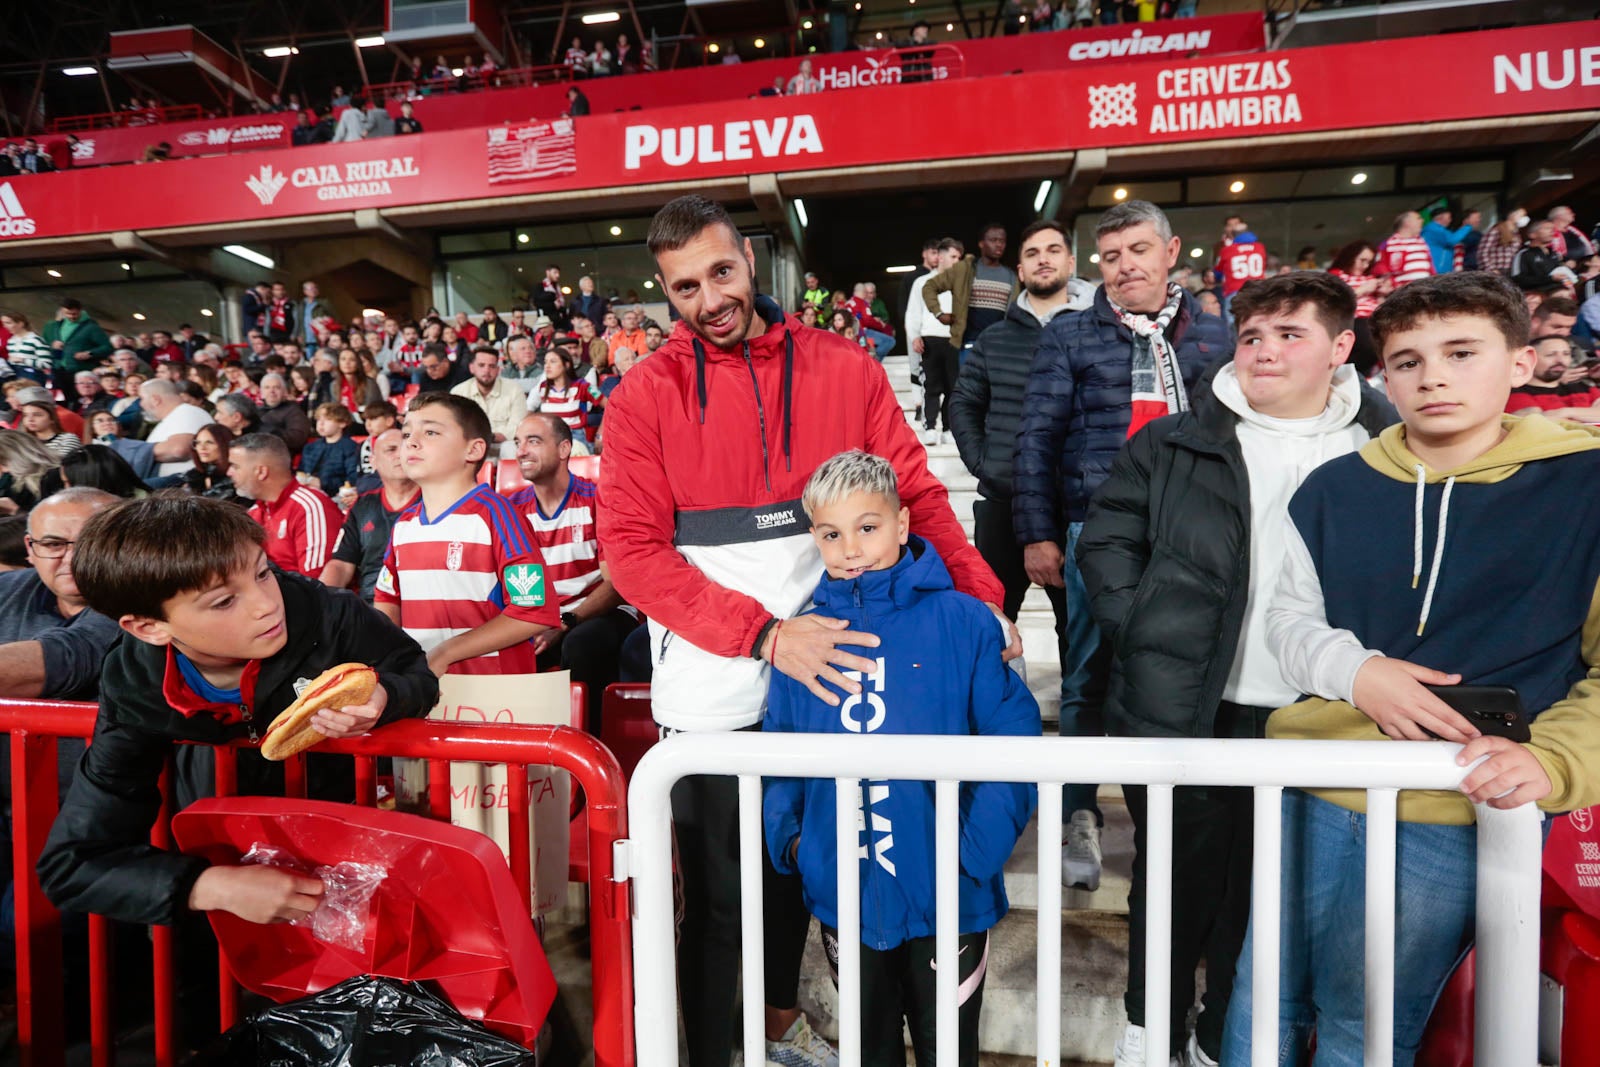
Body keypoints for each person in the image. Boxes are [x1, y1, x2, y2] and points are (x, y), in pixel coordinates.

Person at [599, 194, 1009, 1067]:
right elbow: (630, 551)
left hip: (841, 690)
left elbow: (917, 497)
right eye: (683, 288)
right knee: (722, 910)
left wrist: (980, 597)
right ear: (663, 294)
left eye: (719, 272)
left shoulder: (842, 367)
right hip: (718, 692)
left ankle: (779, 1031)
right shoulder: (643, 395)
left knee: (808, 885)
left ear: (749, 258)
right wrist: (765, 636)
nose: (709, 298)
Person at [1219, 270, 1600, 1064]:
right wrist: (1357, 672)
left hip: (1459, 805)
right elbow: (1288, 621)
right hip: (1313, 784)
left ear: (1521, 362)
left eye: (1462, 352)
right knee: (1261, 998)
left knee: (1369, 1023)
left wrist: (1555, 759)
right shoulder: (1333, 488)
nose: (1432, 376)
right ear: (1379, 372)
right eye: (1408, 360)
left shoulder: (1583, 485)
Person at [1079, 273, 1397, 1067]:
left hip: (1318, 715)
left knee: (1267, 897)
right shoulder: (1176, 438)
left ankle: (1227, 1035)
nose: (1264, 350)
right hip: (1191, 703)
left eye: (1290, 334)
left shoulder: (1384, 443)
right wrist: (1145, 625)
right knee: (1172, 886)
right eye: (1253, 335)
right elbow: (1107, 539)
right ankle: (1150, 1032)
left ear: (1341, 347)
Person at [36, 494, 438, 927]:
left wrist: (386, 697)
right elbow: (71, 864)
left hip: (357, 858)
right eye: (224, 601)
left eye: (263, 573)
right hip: (218, 877)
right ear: (149, 627)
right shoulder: (135, 683)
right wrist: (209, 886)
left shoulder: (333, 615)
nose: (267, 603)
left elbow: (415, 674)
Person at [762, 451, 1039, 1067]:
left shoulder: (963, 622)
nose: (851, 548)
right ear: (815, 538)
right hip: (844, 894)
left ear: (903, 523)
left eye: (868, 527)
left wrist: (975, 853)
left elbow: (1013, 737)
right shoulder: (801, 638)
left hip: (950, 898)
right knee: (869, 1049)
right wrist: (797, 846)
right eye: (832, 534)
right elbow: (778, 752)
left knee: (949, 1053)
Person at [1012, 200, 1230, 909]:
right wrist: (1038, 533)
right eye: (1111, 256)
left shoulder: (1215, 337)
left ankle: (1166, 825)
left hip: (1194, 530)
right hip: (1097, 528)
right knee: (1087, 679)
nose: (1126, 266)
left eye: (1139, 250)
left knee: (1183, 680)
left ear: (1170, 251)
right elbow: (1038, 439)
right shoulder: (1071, 336)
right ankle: (1079, 816)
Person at [948, 217, 1089, 743]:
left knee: (1079, 634)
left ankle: (1078, 767)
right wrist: (986, 463)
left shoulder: (1096, 331)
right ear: (1020, 268)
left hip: (1075, 509)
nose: (1044, 259)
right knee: (992, 630)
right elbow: (964, 402)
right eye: (1032, 253)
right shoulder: (994, 339)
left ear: (1071, 262)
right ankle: (999, 745)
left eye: (1054, 250)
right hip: (1003, 506)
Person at [374, 394, 559, 676]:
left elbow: (534, 612)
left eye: (431, 432)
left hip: (493, 700)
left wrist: (446, 652)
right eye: (407, 432)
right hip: (423, 691)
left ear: (473, 451)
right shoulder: (404, 525)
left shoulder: (498, 515)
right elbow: (387, 600)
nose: (410, 441)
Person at [504, 413, 637, 718]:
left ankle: (587, 748)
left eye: (533, 441)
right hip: (541, 618)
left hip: (602, 611)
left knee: (580, 644)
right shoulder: (511, 508)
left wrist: (565, 621)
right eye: (517, 442)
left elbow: (616, 584)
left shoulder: (598, 498)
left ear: (564, 449)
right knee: (502, 648)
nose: (521, 451)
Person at [227, 433, 344, 580]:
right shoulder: (254, 513)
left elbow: (318, 586)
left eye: (235, 466)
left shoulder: (310, 507)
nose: (229, 472)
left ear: (261, 472)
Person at [324, 429, 418, 602]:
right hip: (370, 607)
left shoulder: (436, 501)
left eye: (406, 448)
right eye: (391, 450)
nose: (401, 455)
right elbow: (341, 564)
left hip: (420, 605)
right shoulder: (362, 506)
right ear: (373, 462)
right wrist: (322, 602)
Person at [922, 224, 1017, 358]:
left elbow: (1015, 312)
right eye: (993, 240)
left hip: (999, 347)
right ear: (981, 244)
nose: (998, 244)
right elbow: (929, 286)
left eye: (1002, 241)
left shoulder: (1011, 277)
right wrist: (939, 313)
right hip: (969, 346)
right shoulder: (965, 270)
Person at [1503, 336, 1600, 422]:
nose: (1560, 360)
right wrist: (1587, 414)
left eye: (1566, 354)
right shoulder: (1515, 391)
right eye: (1551, 355)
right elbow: (1536, 423)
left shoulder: (1583, 387)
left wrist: (1565, 412)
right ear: (1529, 359)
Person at [451, 346, 526, 450]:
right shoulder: (458, 392)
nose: (487, 370)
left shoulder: (514, 390)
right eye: (481, 365)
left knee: (510, 449)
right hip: (470, 447)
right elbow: (454, 426)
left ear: (498, 370)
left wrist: (493, 437)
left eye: (492, 366)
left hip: (504, 446)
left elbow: (518, 425)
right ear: (472, 368)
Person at [526, 347, 600, 449]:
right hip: (548, 438)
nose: (547, 366)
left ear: (566, 365)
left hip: (575, 439)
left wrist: (601, 433)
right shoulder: (542, 387)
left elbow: (609, 404)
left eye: (553, 362)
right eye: (545, 362)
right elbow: (529, 410)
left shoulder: (584, 385)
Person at [41, 299, 111, 403]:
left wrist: (90, 353)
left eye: (75, 314)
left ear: (80, 311)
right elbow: (45, 346)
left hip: (81, 370)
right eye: (67, 314)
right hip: (59, 369)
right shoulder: (56, 326)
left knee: (80, 400)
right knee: (62, 400)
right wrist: (53, 346)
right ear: (62, 311)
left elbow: (107, 347)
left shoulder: (91, 327)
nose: (71, 316)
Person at [140, 379, 212, 478]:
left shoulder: (187, 412)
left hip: (182, 485)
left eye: (142, 398)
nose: (141, 404)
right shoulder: (175, 415)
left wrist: (137, 451)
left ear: (155, 400)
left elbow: (178, 450)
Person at [1214, 216, 1268, 322]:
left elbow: (1217, 272)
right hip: (1258, 290)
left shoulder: (1227, 250)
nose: (1233, 227)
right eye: (1230, 225)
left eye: (1236, 224)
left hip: (1234, 291)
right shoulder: (1259, 246)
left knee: (1234, 325)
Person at [300, 404, 362, 491]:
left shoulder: (350, 448)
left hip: (335, 495)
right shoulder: (310, 447)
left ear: (342, 423)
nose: (321, 424)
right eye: (318, 420)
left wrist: (322, 483)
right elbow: (301, 472)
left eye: (328, 420)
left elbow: (353, 478)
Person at [1373, 210, 1435, 290]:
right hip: (1402, 292)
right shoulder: (1387, 244)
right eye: (1418, 218)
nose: (1422, 220)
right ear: (1407, 222)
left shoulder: (1422, 242)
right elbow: (1379, 266)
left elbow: (1431, 267)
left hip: (1426, 289)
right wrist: (1394, 284)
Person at [257, 373, 311, 453]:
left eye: (277, 387)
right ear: (262, 393)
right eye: (267, 387)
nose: (272, 391)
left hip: (278, 455)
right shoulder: (256, 411)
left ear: (285, 392)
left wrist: (268, 431)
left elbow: (298, 438)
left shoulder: (294, 411)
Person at [182, 423, 237, 499]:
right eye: (198, 443)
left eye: (209, 443)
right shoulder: (193, 476)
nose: (202, 447)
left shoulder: (236, 478)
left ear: (225, 444)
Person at [1421, 207, 1479, 276]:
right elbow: (1452, 240)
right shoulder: (1433, 228)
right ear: (1440, 217)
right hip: (1438, 269)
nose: (1450, 220)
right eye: (1449, 217)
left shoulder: (1440, 230)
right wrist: (1468, 226)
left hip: (1442, 270)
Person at [19, 402, 83, 462]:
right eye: (25, 415)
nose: (30, 419)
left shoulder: (67, 439)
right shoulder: (23, 442)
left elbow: (59, 464)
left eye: (37, 415)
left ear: (52, 419)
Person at [0, 311, 53, 385]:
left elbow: (47, 364)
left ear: (20, 324)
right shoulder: (11, 341)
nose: (5, 326)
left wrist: (23, 360)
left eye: (8, 323)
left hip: (32, 376)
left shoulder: (36, 340)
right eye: (3, 323)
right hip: (15, 376)